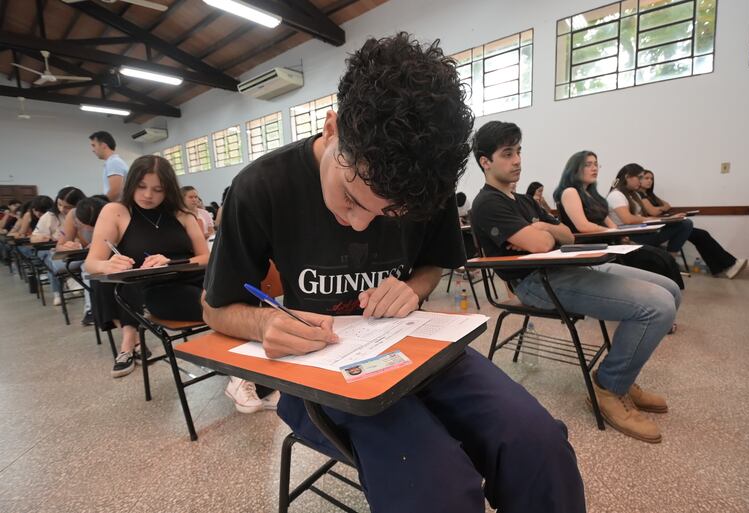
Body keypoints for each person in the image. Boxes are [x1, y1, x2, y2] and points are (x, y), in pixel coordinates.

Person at [202, 33, 585, 512]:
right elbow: (215, 307)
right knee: (435, 487)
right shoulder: (260, 188)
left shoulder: (429, 181)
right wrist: (265, 323)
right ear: (332, 128)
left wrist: (412, 288)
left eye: (389, 213)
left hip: (413, 346)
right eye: (352, 197)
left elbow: (433, 263)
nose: (360, 223)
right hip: (320, 374)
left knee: (540, 446)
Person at [471, 121, 679, 444]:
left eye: (519, 152)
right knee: (658, 306)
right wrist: (542, 233)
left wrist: (540, 226)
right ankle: (610, 388)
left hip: (565, 268)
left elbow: (566, 233)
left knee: (671, 290)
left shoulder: (524, 203)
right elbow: (541, 247)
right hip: (536, 283)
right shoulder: (487, 203)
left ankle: (623, 374)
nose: (517, 161)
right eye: (507, 154)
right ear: (485, 161)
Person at [85, 156, 209, 378]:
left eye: (158, 189)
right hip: (157, 289)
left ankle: (244, 368)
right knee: (219, 308)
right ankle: (241, 374)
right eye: (141, 187)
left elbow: (205, 257)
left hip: (195, 277)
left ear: (168, 189)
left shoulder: (181, 214)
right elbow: (91, 263)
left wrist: (173, 262)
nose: (148, 195)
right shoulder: (116, 211)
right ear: (131, 182)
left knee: (235, 301)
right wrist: (108, 263)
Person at [554, 151, 684, 290]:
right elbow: (583, 226)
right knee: (654, 260)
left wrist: (621, 236)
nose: (595, 168)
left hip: (607, 242)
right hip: (590, 247)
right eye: (588, 165)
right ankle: (655, 296)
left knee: (662, 256)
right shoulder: (570, 192)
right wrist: (611, 232)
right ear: (575, 169)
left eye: (596, 165)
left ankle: (666, 295)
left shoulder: (592, 194)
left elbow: (611, 224)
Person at [638, 169, 749, 278]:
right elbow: (652, 211)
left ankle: (721, 267)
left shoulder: (650, 195)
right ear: (639, 179)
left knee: (701, 235)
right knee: (700, 234)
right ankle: (728, 265)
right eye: (646, 178)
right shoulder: (640, 196)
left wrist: (660, 208)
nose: (650, 181)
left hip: (666, 224)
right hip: (657, 227)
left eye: (651, 178)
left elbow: (667, 205)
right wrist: (660, 209)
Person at [606, 164, 694, 257]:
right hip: (628, 236)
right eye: (639, 178)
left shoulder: (634, 195)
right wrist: (658, 220)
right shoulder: (616, 195)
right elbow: (628, 219)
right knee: (685, 224)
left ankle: (670, 257)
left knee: (684, 223)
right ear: (627, 177)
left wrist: (669, 219)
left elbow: (641, 218)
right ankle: (670, 258)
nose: (640, 182)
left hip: (641, 231)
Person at [56, 195, 108, 325]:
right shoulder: (73, 215)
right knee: (87, 267)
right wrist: (67, 246)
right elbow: (59, 245)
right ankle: (91, 310)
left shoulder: (109, 211)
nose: (63, 209)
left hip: (112, 253)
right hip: (90, 257)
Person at [32, 187, 87, 306]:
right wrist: (45, 238)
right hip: (48, 248)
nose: (62, 209)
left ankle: (70, 277)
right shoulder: (49, 216)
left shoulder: (83, 214)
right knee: (52, 259)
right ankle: (59, 289)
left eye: (67, 207)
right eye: (59, 204)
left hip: (75, 250)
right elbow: (34, 238)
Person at [90, 131, 128, 202]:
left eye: (94, 145)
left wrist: (102, 206)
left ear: (104, 145)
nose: (93, 150)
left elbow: (116, 191)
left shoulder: (113, 162)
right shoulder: (112, 162)